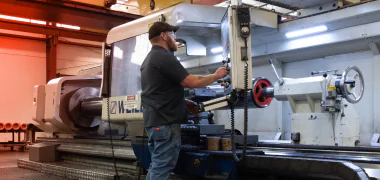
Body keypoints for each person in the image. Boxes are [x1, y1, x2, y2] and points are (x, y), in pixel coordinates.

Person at [140, 21, 228, 180]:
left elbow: (158, 91)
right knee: (162, 167)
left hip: (155, 122)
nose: (176, 39)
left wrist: (185, 103)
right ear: (164, 36)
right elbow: (191, 81)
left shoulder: (149, 59)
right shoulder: (164, 57)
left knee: (157, 165)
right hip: (166, 124)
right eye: (173, 34)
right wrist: (215, 76)